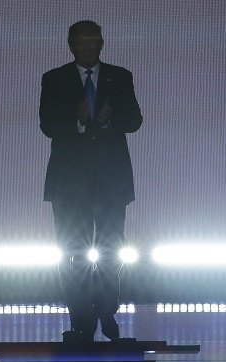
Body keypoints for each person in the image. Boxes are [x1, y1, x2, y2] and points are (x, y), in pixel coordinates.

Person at [39, 20, 142, 342]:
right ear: (71, 45)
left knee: (112, 249)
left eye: (93, 41)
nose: (88, 47)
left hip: (111, 179)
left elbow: (135, 120)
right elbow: (48, 125)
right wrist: (78, 119)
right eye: (82, 42)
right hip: (70, 183)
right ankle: (80, 320)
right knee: (72, 253)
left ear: (101, 43)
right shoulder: (54, 79)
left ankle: (107, 312)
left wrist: (111, 120)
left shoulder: (120, 76)